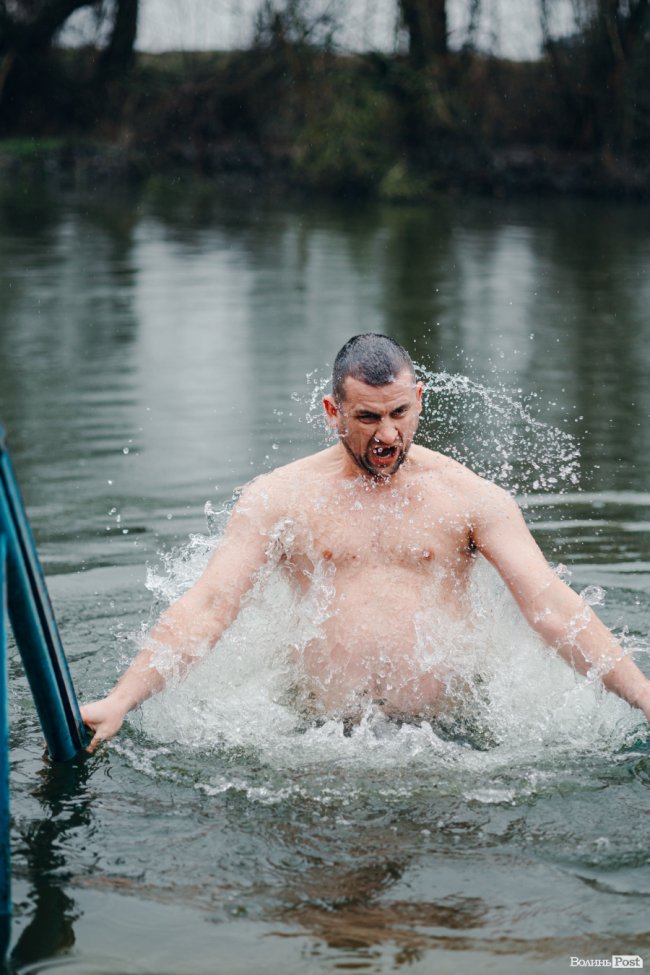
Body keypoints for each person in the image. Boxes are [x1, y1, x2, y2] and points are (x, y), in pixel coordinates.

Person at [81, 333, 650, 751]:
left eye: (400, 413)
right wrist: (122, 700)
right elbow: (209, 606)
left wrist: (644, 699)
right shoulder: (280, 497)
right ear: (333, 412)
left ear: (419, 400)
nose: (388, 434)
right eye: (368, 417)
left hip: (449, 743)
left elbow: (552, 607)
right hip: (316, 741)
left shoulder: (470, 498)